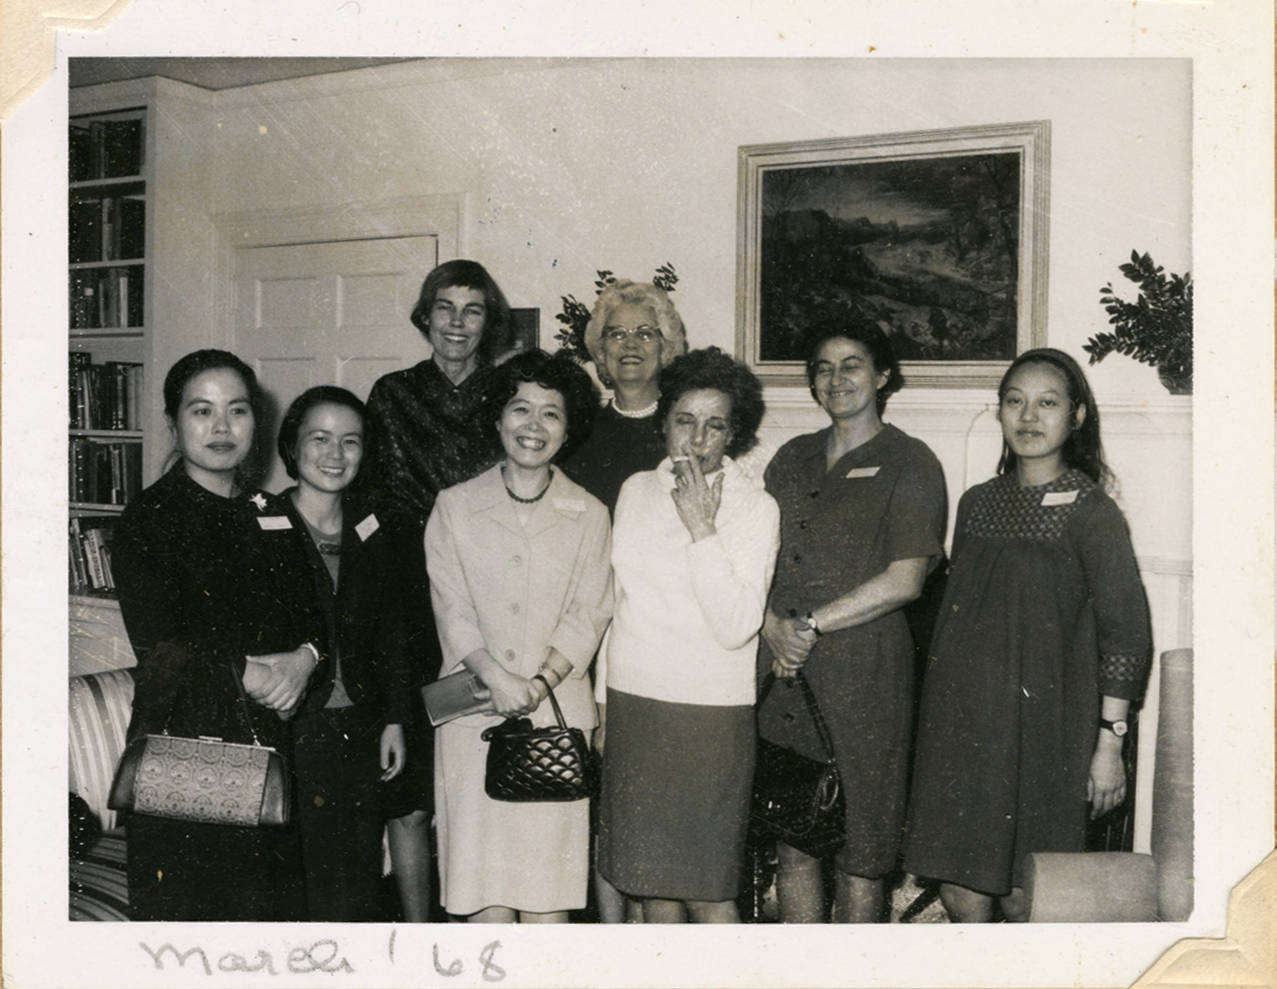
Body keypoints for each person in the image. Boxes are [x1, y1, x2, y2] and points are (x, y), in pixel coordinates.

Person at [902, 348, 1151, 922]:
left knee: (1026, 894)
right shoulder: (976, 504)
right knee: (960, 887)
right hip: (961, 728)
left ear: (1077, 416)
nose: (1029, 416)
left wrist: (1109, 743)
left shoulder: (1092, 512)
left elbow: (1126, 634)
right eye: (1015, 401)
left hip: (1045, 733)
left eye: (1048, 403)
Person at [111, 349, 324, 921]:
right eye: (202, 411)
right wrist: (252, 674)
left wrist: (305, 659)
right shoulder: (150, 518)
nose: (222, 427)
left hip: (267, 747)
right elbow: (159, 645)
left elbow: (312, 616)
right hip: (184, 751)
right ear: (174, 423)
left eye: (237, 410)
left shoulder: (270, 510)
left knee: (267, 921)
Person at [758, 322, 947, 924]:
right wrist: (769, 624)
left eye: (852, 364)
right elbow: (753, 559)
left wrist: (808, 626)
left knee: (861, 852)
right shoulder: (790, 458)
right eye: (823, 367)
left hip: (865, 678)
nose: (835, 378)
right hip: (784, 673)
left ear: (883, 375)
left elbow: (906, 578)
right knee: (794, 837)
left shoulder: (911, 461)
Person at [424, 349, 612, 922]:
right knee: (483, 899)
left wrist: (536, 682)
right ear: (498, 417)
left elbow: (589, 612)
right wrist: (496, 676)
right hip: (473, 716)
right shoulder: (454, 506)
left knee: (547, 903)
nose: (534, 426)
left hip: (555, 721)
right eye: (520, 408)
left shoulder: (591, 513)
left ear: (568, 428)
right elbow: (451, 606)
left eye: (551, 413)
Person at [597, 347, 780, 924]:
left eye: (715, 425)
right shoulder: (635, 490)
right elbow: (618, 603)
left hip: (709, 716)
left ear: (734, 434)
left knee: (708, 890)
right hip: (635, 707)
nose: (697, 440)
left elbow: (736, 626)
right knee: (651, 887)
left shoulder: (755, 507)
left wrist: (702, 527)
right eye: (685, 421)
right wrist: (603, 706)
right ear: (664, 423)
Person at [356, 259, 515, 920]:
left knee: (487, 785)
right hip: (409, 607)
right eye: (444, 308)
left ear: (488, 321)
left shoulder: (510, 393)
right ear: (426, 316)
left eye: (471, 309)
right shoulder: (392, 394)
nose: (456, 323)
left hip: (491, 606)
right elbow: (365, 502)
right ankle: (419, 936)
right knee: (412, 793)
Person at [559, 278, 687, 923]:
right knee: (602, 786)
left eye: (645, 332)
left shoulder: (684, 428)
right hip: (591, 628)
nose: (630, 344)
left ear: (667, 346)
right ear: (599, 352)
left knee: (655, 790)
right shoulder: (577, 432)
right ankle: (614, 932)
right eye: (616, 333)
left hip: (662, 633)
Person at [270, 386, 415, 921]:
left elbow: (393, 632)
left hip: (359, 728)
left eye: (350, 441)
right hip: (289, 726)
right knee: (292, 876)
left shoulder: (372, 528)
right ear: (293, 446)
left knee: (355, 878)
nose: (335, 454)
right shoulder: (261, 523)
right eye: (320, 439)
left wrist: (396, 719)